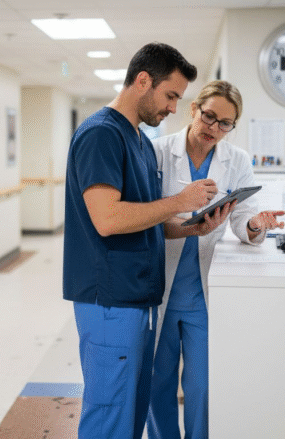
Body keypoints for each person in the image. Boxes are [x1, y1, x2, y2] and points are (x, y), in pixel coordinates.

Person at [63, 43, 232, 439]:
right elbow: (106, 219)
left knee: (131, 412)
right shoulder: (101, 135)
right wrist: (180, 200)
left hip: (137, 298)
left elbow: (143, 217)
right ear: (143, 81)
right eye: (170, 95)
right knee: (109, 414)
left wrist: (189, 226)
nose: (174, 108)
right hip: (109, 301)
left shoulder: (137, 140)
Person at [147, 80, 285, 439]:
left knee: (203, 386)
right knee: (157, 384)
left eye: (226, 123)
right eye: (209, 117)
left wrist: (255, 224)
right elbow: (145, 216)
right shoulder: (157, 152)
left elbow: (244, 217)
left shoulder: (236, 160)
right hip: (158, 287)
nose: (215, 129)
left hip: (203, 293)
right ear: (193, 109)